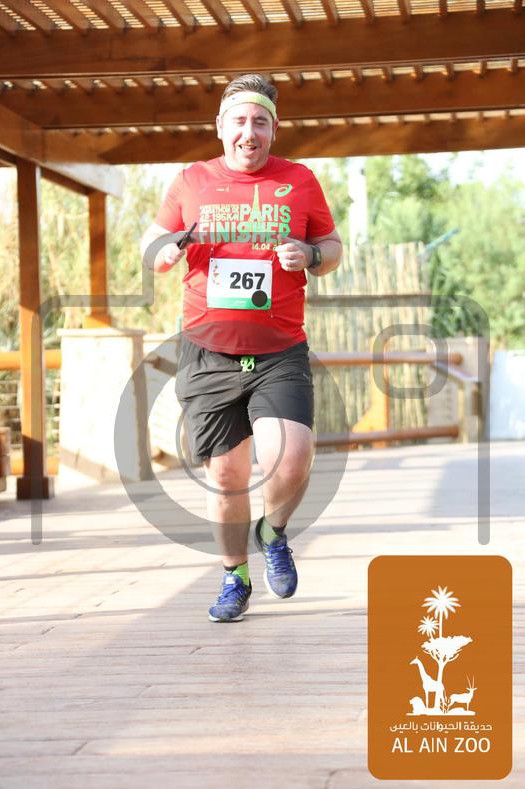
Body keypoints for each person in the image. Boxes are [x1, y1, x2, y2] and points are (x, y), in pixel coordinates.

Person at [141, 74, 342, 622]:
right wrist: (170, 247)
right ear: (220, 127)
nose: (248, 132)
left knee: (292, 457)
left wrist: (311, 255)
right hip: (209, 350)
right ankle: (235, 577)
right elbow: (152, 244)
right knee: (227, 476)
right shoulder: (192, 180)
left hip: (279, 350)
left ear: (274, 130)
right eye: (239, 121)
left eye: (259, 122)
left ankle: (273, 532)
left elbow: (332, 246)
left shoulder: (299, 180)